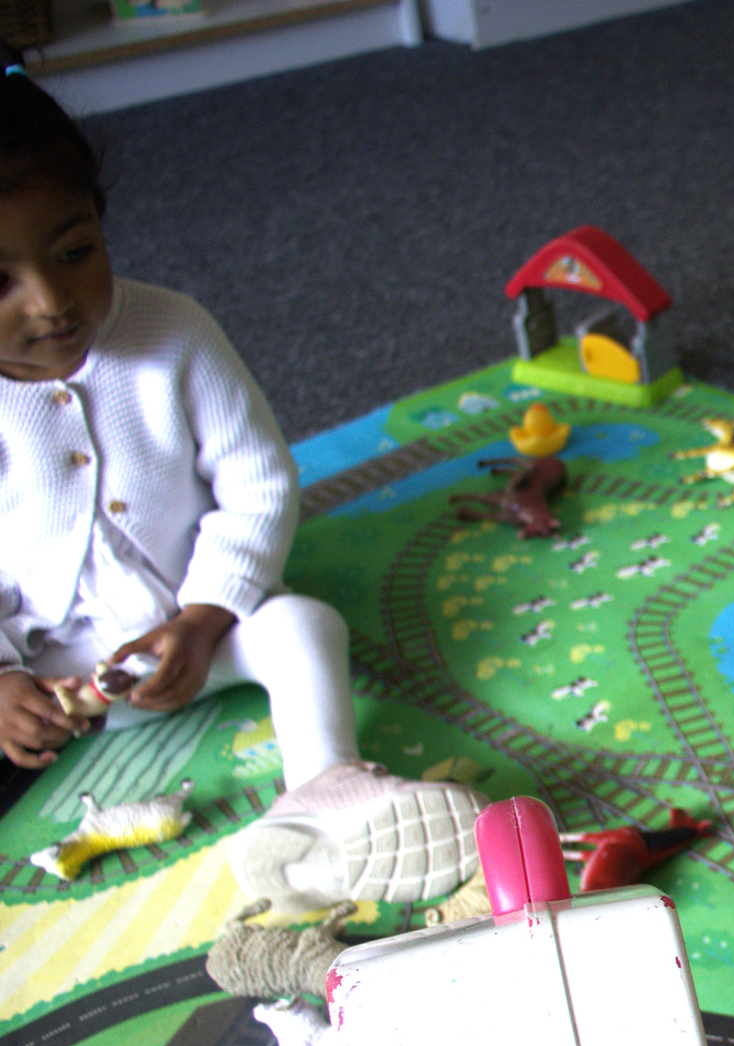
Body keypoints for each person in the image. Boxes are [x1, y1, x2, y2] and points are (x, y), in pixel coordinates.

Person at [0, 49, 484, 911]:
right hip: (50, 672)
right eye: (0, 282)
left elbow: (258, 484)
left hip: (207, 630)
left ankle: (323, 799)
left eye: (76, 251)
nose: (51, 301)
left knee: (303, 625)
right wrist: (6, 686)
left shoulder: (174, 332)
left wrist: (203, 614)